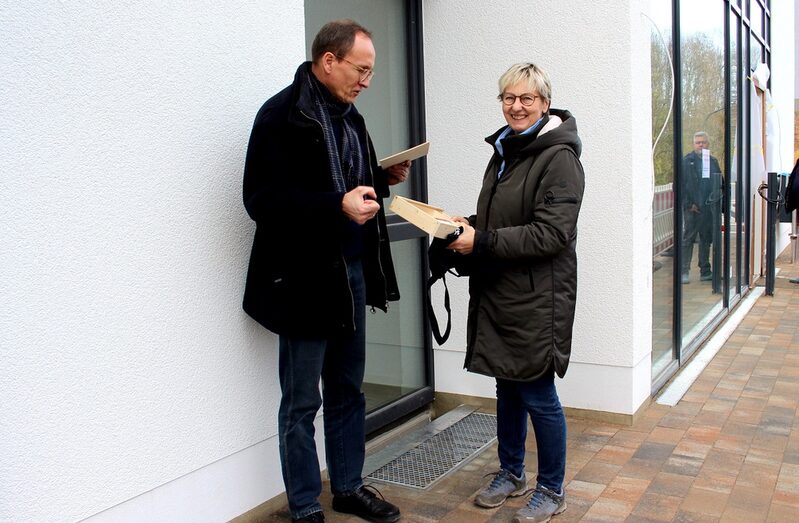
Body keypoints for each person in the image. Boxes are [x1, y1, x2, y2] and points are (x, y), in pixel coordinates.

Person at [241, 19, 409, 523]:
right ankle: (304, 506)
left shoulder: (350, 117)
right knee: (300, 404)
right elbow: (261, 200)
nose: (366, 80)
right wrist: (336, 204)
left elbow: (345, 182)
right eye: (361, 69)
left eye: (372, 72)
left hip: (350, 273)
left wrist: (380, 177)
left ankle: (348, 489)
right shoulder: (280, 116)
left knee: (347, 389)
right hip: (303, 281)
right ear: (328, 60)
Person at [448, 63, 584, 523]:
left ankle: (552, 488)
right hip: (502, 291)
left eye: (527, 98)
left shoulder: (559, 158)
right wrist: (462, 230)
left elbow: (552, 234)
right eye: (508, 97)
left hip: (537, 299)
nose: (516, 106)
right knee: (507, 386)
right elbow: (502, 219)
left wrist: (482, 241)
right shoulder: (507, 150)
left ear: (545, 103)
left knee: (537, 395)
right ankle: (511, 472)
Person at [681, 131, 722, 284]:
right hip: (692, 209)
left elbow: (720, 183)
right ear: (694, 144)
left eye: (703, 142)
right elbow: (678, 186)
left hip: (708, 208)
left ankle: (705, 271)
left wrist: (717, 202)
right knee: (688, 239)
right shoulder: (686, 162)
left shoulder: (712, 161)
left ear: (708, 144)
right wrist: (688, 205)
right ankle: (684, 271)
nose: (701, 145)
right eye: (698, 142)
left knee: (706, 239)